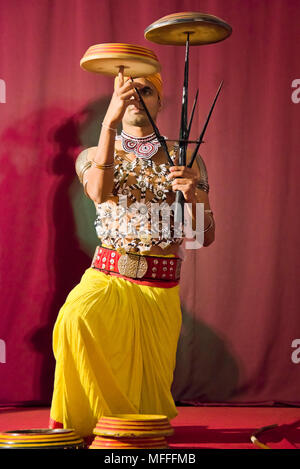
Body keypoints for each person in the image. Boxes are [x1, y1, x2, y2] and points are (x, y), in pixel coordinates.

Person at [49, 66, 215, 438]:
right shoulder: (91, 155)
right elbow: (99, 191)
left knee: (145, 416)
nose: (136, 97)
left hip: (158, 292)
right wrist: (108, 125)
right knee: (75, 319)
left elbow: (204, 237)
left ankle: (125, 435)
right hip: (107, 278)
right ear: (115, 100)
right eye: (127, 91)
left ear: (160, 102)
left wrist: (196, 196)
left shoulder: (184, 159)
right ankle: (85, 429)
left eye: (146, 91)